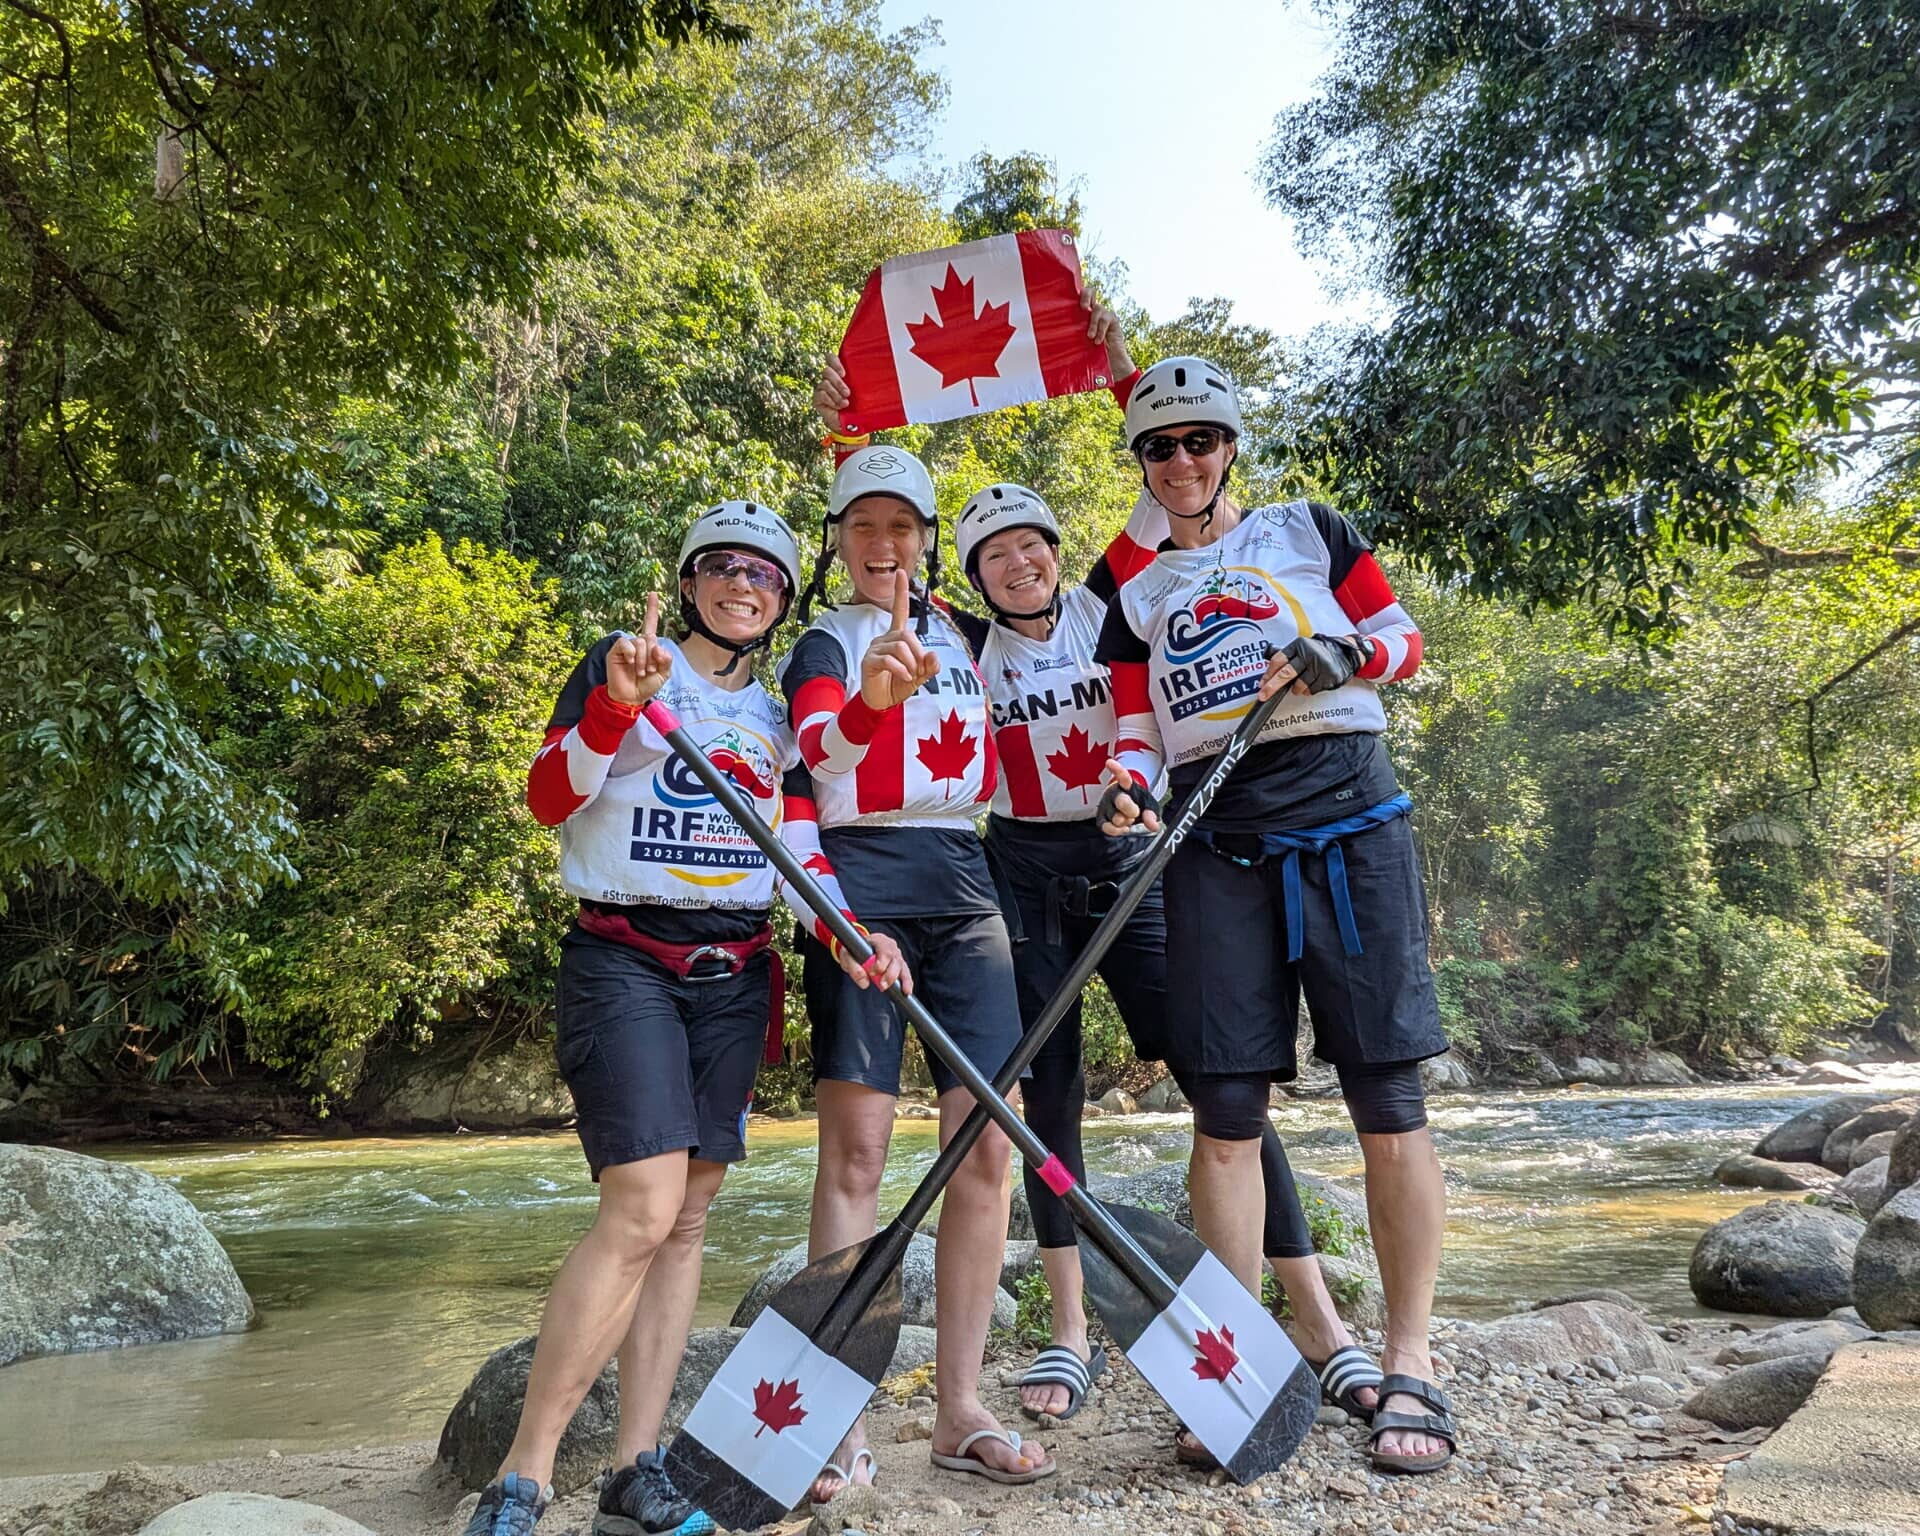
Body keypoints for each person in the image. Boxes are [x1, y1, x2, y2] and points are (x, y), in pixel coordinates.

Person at [465, 502, 910, 1536]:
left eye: (763, 572)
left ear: (783, 597)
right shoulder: (623, 666)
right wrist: (616, 711)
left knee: (688, 1218)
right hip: (624, 956)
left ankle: (636, 1466)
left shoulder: (773, 727)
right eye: (720, 566)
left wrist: (853, 933)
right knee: (641, 1206)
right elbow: (547, 797)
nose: (741, 584)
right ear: (690, 580)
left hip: (734, 971)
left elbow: (798, 857)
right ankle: (521, 1479)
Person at [1094, 357, 1457, 1474]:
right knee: (1225, 1108)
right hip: (1216, 837)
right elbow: (1131, 728)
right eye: (1161, 447)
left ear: (1229, 448)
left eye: (1200, 440)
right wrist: (1124, 786)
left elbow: (1404, 641)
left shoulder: (1311, 529)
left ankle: (1411, 1361)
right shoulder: (1132, 589)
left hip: (1350, 815)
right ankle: (1240, 1366)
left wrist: (1345, 647)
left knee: (1386, 1097)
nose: (1183, 462)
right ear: (1143, 465)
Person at [781, 446, 1054, 1494]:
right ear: (840, 543)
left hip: (964, 879)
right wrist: (871, 700)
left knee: (985, 1148)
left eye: (902, 527)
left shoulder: (970, 634)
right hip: (861, 880)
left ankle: (959, 1409)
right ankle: (834, 1421)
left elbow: (1079, 603)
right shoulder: (822, 640)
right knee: (856, 1154)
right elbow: (817, 755)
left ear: (929, 540)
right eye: (863, 528)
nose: (884, 546)